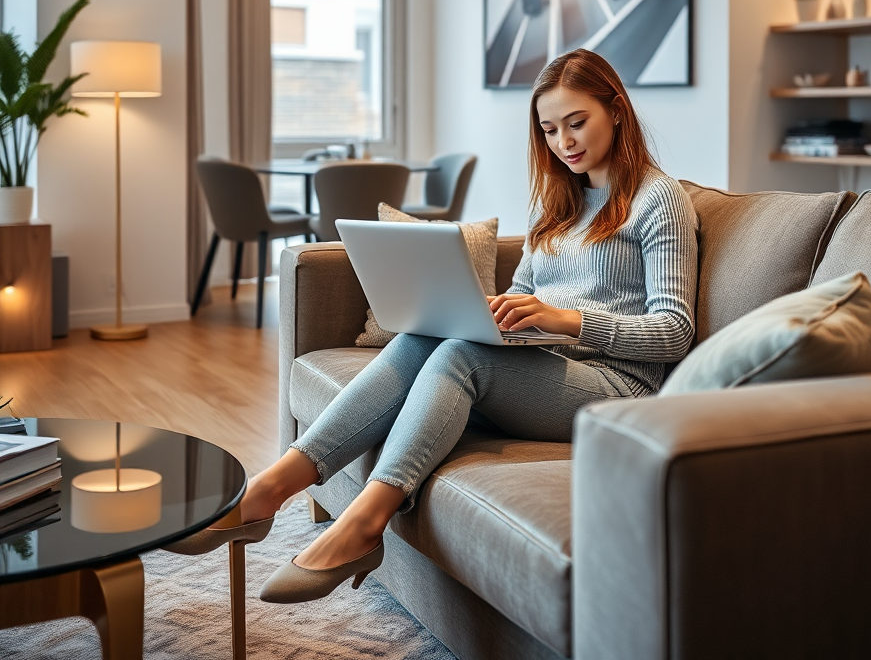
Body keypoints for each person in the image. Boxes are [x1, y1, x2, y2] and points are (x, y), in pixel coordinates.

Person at [168, 48, 697, 604]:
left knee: (458, 357)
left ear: (616, 110)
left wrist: (567, 320)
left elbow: (674, 331)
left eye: (576, 122)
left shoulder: (658, 200)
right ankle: (270, 490)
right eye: (549, 129)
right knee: (426, 333)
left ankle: (365, 524)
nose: (564, 142)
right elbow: (522, 291)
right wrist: (494, 309)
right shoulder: (560, 199)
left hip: (618, 386)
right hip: (549, 360)